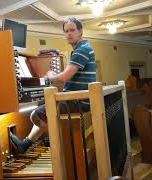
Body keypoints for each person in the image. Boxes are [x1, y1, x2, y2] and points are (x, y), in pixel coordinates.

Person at [10, 17, 96, 153]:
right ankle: (25, 144)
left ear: (80, 32)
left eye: (72, 30)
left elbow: (64, 77)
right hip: (78, 99)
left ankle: (61, 141)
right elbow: (68, 74)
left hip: (79, 101)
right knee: (42, 106)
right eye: (66, 31)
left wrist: (50, 76)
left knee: (36, 115)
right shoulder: (83, 48)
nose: (69, 33)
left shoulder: (82, 50)